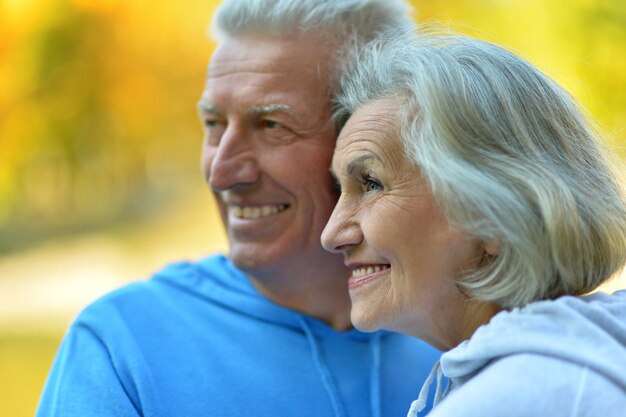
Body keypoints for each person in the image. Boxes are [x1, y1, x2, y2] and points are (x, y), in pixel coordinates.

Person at [36, 2, 442, 417]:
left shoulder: (467, 333)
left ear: (369, 142)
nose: (222, 173)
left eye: (271, 125)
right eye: (213, 125)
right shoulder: (122, 347)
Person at [322, 28, 626, 417]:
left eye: (371, 183)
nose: (332, 235)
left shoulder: (518, 397)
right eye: (340, 189)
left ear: (494, 215)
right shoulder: (580, 359)